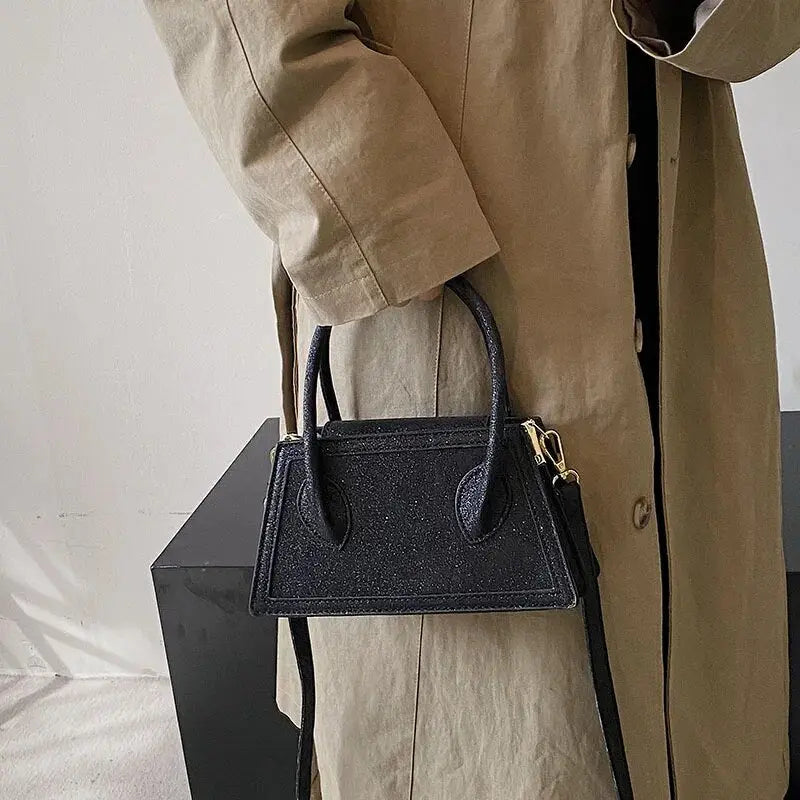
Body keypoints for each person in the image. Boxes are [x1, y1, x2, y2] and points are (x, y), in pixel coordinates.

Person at [143, 2, 800, 797]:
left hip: (679, 222)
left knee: (692, 698)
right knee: (483, 728)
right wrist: (387, 214)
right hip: (447, 254)